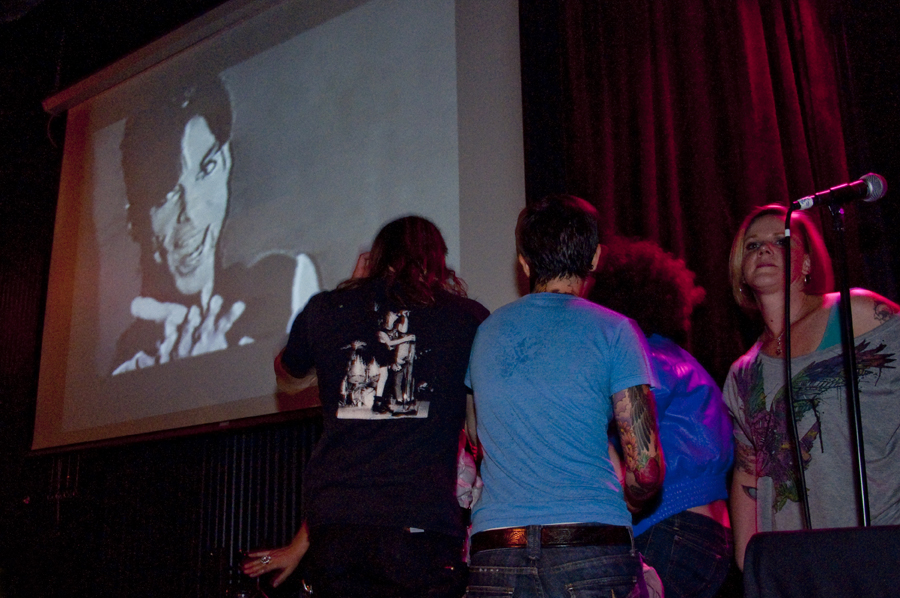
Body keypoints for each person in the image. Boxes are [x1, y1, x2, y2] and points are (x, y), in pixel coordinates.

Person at [242, 216, 489, 597]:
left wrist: (351, 304)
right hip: (419, 525)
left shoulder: (326, 309)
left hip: (338, 526)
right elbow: (478, 430)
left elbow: (287, 378)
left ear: (374, 258)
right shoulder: (467, 317)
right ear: (438, 262)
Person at [465, 195, 665, 597]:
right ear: (594, 258)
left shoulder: (486, 333)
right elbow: (645, 468)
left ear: (523, 261)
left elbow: (474, 435)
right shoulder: (615, 331)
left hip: (497, 552)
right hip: (589, 547)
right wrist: (631, 498)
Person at [723, 203, 900, 570]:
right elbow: (747, 468)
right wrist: (747, 561)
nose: (765, 249)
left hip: (876, 539)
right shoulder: (743, 373)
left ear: (806, 263)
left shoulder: (857, 315)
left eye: (781, 240)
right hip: (796, 560)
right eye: (753, 245)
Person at [112, 77, 318, 374]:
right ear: (136, 220)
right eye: (167, 194)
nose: (193, 215)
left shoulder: (290, 286)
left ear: (227, 164)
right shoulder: (130, 366)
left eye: (207, 169)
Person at [589, 238, 734, 598]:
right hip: (707, 533)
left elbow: (609, 424)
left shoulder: (642, 359)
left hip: (669, 526)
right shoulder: (680, 359)